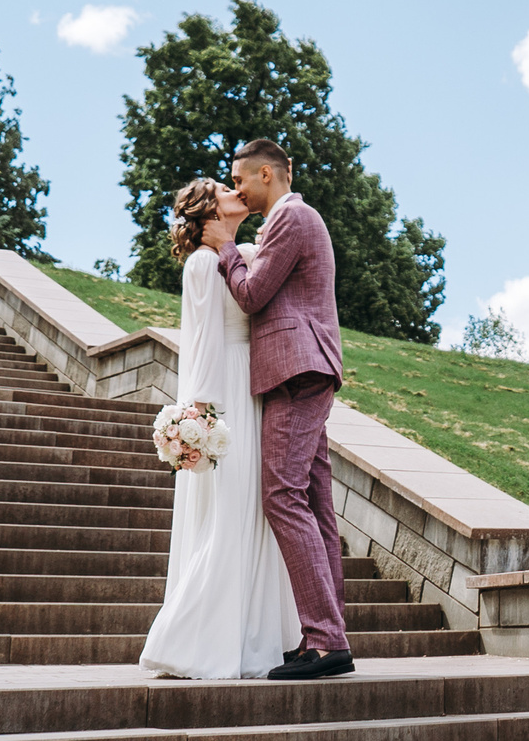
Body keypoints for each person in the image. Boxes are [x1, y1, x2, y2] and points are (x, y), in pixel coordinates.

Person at [137, 176, 302, 679]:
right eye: (222, 187)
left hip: (254, 387)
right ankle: (195, 639)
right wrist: (201, 419)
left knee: (253, 509)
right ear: (210, 210)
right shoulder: (203, 263)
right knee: (230, 509)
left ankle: (254, 635)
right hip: (227, 392)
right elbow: (202, 339)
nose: (236, 190)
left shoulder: (243, 251)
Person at [203, 137, 351, 680]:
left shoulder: (294, 217)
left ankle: (326, 640)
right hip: (302, 367)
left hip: (298, 369)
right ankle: (329, 635)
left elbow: (252, 294)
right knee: (313, 501)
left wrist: (223, 247)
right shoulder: (289, 220)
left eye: (240, 179)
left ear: (267, 174)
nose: (236, 188)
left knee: (281, 496)